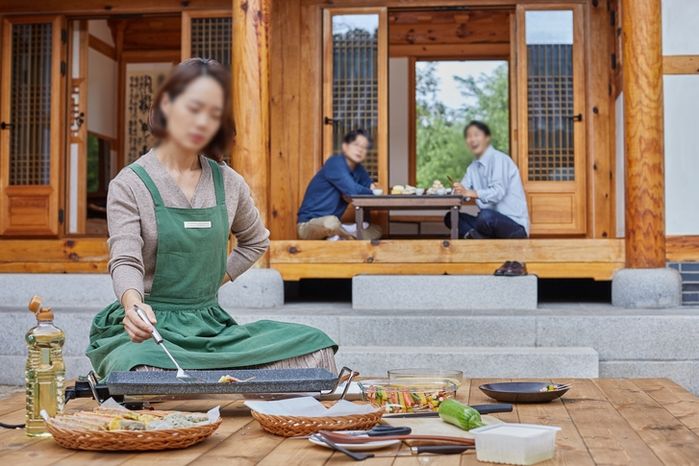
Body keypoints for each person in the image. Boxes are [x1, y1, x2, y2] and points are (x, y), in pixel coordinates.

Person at [87, 58, 337, 378]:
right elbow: (125, 259)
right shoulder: (130, 184)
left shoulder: (228, 181)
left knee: (315, 346)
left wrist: (210, 282)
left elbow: (256, 240)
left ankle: (205, 382)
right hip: (153, 333)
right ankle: (210, 382)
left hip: (211, 330)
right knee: (138, 368)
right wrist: (132, 305)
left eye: (214, 113)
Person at [445, 121, 529, 275]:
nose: (472, 139)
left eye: (476, 135)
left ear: (487, 138)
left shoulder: (499, 159)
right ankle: (482, 240)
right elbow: (462, 193)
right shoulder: (473, 167)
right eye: (469, 136)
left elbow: (498, 193)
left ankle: (479, 240)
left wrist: (471, 193)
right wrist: (457, 191)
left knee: (485, 216)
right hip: (488, 224)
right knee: (451, 217)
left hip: (512, 226)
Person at [296, 129, 382, 240]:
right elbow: (355, 191)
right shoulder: (335, 163)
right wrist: (367, 192)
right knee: (331, 222)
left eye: (364, 147)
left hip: (335, 225)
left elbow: (371, 191)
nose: (360, 150)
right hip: (310, 225)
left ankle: (338, 235)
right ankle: (347, 236)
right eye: (356, 145)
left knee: (376, 230)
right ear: (345, 147)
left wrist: (368, 192)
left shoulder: (359, 170)